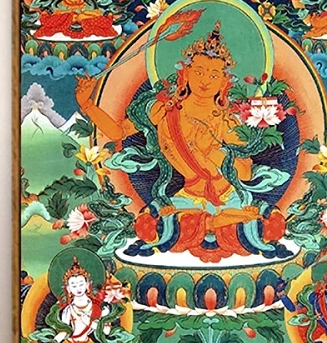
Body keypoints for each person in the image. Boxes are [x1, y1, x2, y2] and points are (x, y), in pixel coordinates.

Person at [75, 23, 286, 261]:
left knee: (273, 226)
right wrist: (87, 105)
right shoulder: (163, 110)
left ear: (224, 83)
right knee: (146, 225)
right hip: (187, 198)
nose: (205, 81)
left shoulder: (226, 119)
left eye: (214, 75)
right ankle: (214, 223)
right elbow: (117, 132)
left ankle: (214, 222)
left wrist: (217, 154)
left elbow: (245, 173)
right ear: (185, 74)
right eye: (199, 71)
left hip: (229, 198)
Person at [35, 257, 119, 343]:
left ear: (87, 285)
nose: (78, 288)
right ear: (68, 288)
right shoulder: (67, 310)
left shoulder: (97, 307)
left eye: (81, 284)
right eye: (74, 285)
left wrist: (94, 325)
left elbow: (107, 331)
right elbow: (64, 333)